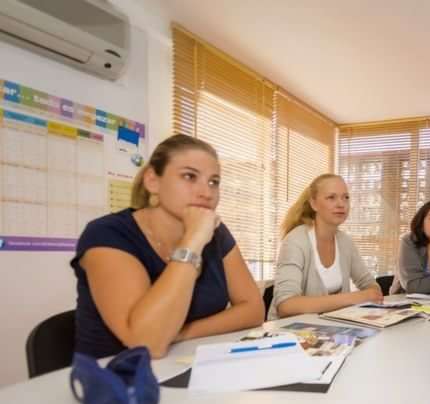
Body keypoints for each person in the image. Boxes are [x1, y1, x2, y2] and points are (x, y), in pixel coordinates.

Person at [71, 134, 265, 359]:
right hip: (114, 379)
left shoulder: (216, 234)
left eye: (214, 182)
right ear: (152, 180)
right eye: (189, 176)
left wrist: (179, 333)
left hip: (184, 365)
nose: (206, 192)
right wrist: (193, 241)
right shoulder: (107, 233)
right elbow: (147, 343)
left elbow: (253, 309)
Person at [269, 173, 382, 320]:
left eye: (345, 197)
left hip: (330, 330)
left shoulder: (345, 242)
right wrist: (354, 298)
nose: (341, 204)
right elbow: (287, 305)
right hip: (288, 334)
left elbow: (371, 287)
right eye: (331, 197)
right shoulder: (296, 241)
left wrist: (369, 293)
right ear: (314, 204)